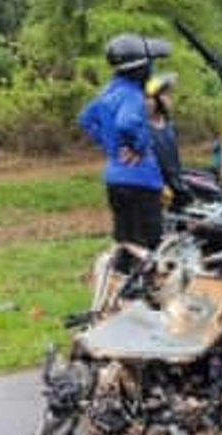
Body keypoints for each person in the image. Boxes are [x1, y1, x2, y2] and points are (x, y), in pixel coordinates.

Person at [79, 34, 171, 271]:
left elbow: (86, 119)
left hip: (115, 178)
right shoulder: (133, 95)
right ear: (142, 69)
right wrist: (137, 146)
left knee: (125, 242)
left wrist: (111, 146)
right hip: (141, 180)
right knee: (149, 245)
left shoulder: (109, 92)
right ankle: (145, 294)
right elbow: (127, 123)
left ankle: (118, 290)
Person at [145, 72, 193, 209]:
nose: (169, 99)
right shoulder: (143, 130)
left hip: (175, 181)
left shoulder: (168, 125)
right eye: (165, 95)